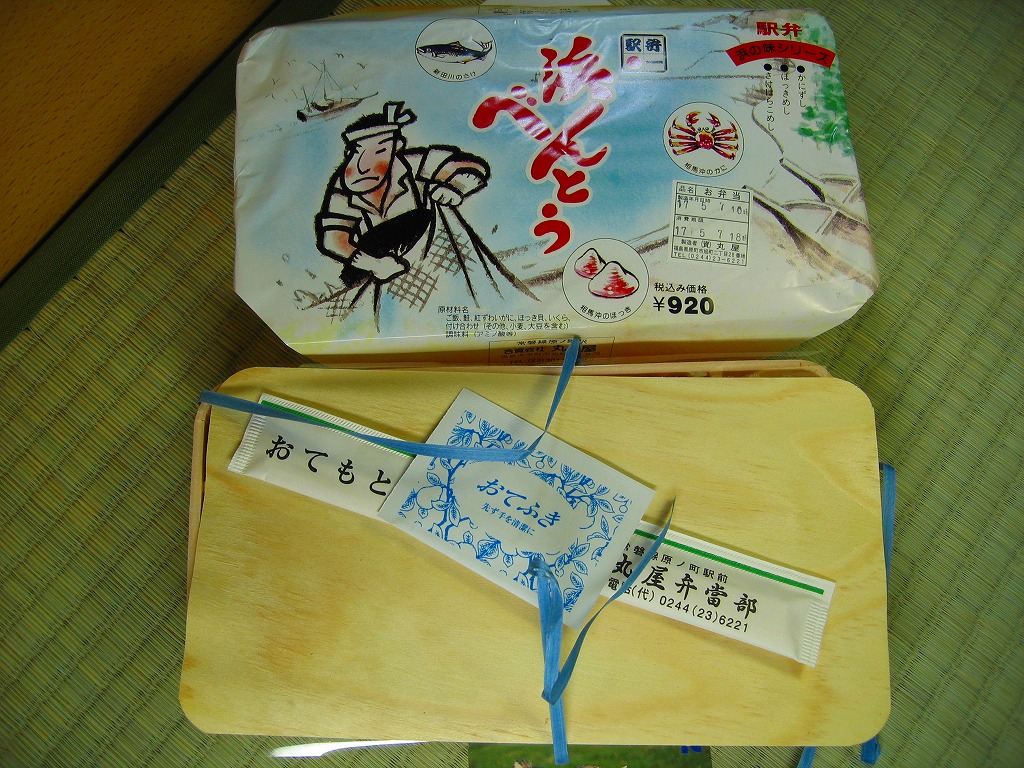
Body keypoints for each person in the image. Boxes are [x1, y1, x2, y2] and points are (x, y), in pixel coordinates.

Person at [314, 101, 535, 327]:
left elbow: (470, 167)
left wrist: (455, 186)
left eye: (379, 151)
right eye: (356, 152)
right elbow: (333, 238)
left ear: (396, 147)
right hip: (385, 269)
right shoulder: (343, 187)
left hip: (435, 255)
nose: (363, 166)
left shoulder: (413, 164)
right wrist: (373, 263)